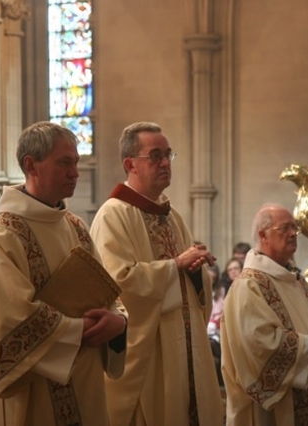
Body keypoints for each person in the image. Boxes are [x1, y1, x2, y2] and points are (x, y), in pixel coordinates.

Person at [0, 121, 127, 425]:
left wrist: (118, 322)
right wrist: (79, 330)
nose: (75, 172)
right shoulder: (2, 237)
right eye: (65, 162)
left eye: (76, 163)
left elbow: (106, 291)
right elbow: (7, 321)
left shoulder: (76, 228)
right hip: (35, 393)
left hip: (86, 383)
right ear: (32, 165)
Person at [90, 122, 224, 425]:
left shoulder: (171, 214)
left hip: (187, 345)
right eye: (155, 156)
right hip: (150, 355)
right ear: (130, 164)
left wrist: (194, 271)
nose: (165, 163)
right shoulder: (114, 214)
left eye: (168, 155)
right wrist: (175, 265)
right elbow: (116, 283)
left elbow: (191, 285)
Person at [221, 203, 308, 425]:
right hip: (275, 407)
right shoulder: (249, 285)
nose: (292, 234)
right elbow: (255, 343)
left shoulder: (294, 278)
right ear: (263, 235)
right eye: (285, 228)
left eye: (294, 229)